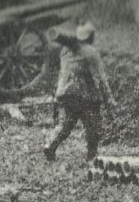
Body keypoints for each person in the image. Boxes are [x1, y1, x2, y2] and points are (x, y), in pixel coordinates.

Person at [43, 20, 116, 162]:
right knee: (93, 124)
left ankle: (50, 145)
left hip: (64, 92)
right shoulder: (91, 52)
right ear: (90, 36)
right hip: (84, 94)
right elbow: (100, 79)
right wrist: (109, 99)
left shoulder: (65, 50)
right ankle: (91, 154)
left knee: (65, 124)